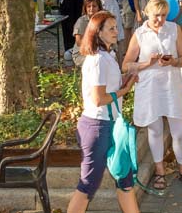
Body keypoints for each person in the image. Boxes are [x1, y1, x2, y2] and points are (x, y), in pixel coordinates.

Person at [122, 0, 182, 191]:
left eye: (164, 15)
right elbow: (126, 65)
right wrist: (147, 63)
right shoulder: (140, 33)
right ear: (148, 13)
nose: (160, 20)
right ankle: (160, 172)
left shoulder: (174, 29)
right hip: (149, 88)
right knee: (155, 130)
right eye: (157, 15)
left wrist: (172, 61)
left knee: (178, 131)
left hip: (171, 84)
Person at [67, 12, 139, 213]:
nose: (117, 31)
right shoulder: (97, 59)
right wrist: (124, 90)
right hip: (98, 127)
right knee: (88, 184)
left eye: (116, 27)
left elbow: (109, 89)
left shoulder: (108, 55)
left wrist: (126, 80)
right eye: (111, 28)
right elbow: (98, 99)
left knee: (124, 178)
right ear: (98, 32)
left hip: (111, 125)